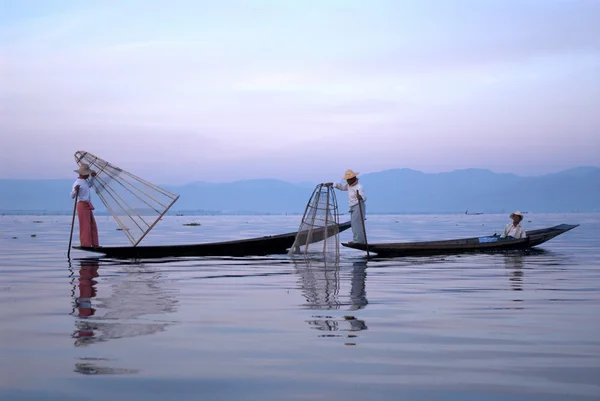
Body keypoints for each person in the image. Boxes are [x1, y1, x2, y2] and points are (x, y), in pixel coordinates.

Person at [325, 169, 367, 244]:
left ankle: (358, 241)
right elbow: (342, 187)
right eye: (347, 180)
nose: (347, 181)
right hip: (353, 207)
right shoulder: (348, 186)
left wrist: (360, 197)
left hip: (358, 206)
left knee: (357, 224)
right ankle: (357, 240)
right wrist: (333, 184)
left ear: (353, 179)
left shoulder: (359, 187)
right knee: (354, 224)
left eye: (348, 180)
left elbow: (364, 197)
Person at [71, 163, 100, 247]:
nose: (88, 175)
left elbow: (89, 184)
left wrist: (93, 177)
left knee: (92, 224)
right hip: (82, 205)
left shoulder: (84, 181)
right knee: (85, 225)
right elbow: (72, 196)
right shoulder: (77, 183)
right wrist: (75, 190)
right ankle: (85, 244)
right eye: (87, 174)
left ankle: (95, 244)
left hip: (87, 204)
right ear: (83, 174)